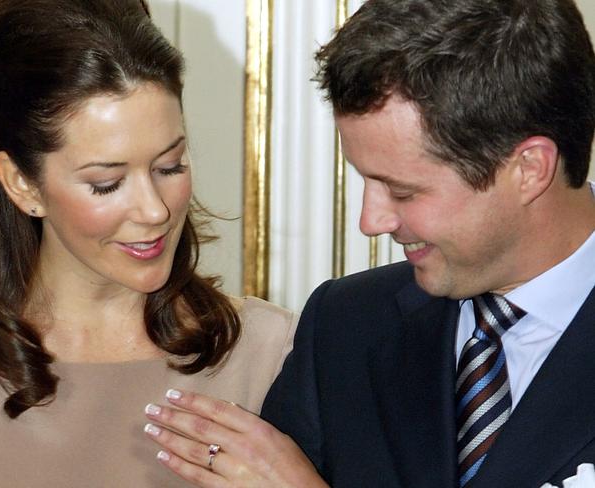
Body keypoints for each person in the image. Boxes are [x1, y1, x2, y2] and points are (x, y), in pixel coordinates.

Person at [142, 0, 595, 487]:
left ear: (529, 169)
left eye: (402, 190)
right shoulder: (344, 326)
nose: (370, 220)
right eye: (364, 181)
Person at [0, 1, 299, 486]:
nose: (155, 210)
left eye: (169, 166)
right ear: (22, 184)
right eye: (107, 183)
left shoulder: (270, 355)